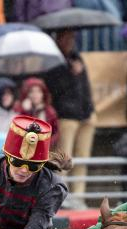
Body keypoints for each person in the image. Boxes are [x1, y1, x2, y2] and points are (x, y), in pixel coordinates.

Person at [45, 29, 96, 209]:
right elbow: (56, 90)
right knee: (64, 158)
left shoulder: (77, 58)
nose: (70, 41)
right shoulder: (53, 61)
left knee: (83, 158)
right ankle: (62, 196)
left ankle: (79, 196)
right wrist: (71, 74)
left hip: (85, 114)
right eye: (66, 37)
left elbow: (85, 86)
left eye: (72, 38)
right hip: (66, 116)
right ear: (58, 39)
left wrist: (90, 109)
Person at [13, 78, 59, 147]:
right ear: (27, 94)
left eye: (39, 91)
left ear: (43, 94)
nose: (35, 95)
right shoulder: (19, 109)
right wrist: (26, 111)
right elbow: (18, 130)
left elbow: (56, 132)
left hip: (43, 148)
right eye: (31, 92)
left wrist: (46, 143)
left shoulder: (49, 111)